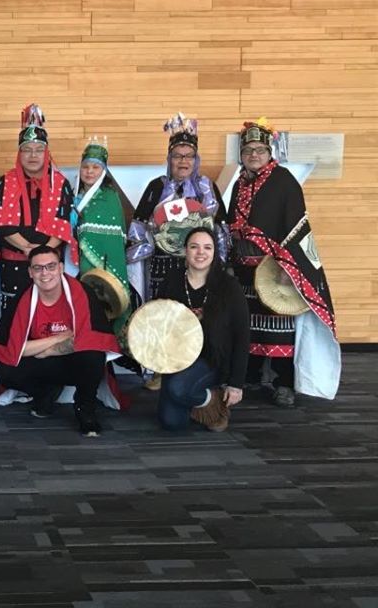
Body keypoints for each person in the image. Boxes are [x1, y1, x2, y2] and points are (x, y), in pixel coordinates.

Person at [229, 117, 340, 407]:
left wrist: (285, 267)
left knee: (279, 325)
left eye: (259, 150)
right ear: (241, 155)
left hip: (274, 268)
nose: (254, 155)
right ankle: (251, 375)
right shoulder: (240, 183)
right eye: (248, 150)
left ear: (270, 153)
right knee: (248, 324)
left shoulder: (284, 182)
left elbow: (295, 228)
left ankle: (283, 383)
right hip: (243, 269)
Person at [127, 112, 229, 389]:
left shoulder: (207, 188)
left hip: (198, 265)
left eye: (188, 156)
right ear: (169, 159)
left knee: (199, 313)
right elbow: (137, 225)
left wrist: (216, 262)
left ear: (196, 160)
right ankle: (161, 368)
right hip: (163, 264)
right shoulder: (157, 188)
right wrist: (151, 234)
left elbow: (221, 228)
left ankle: (201, 366)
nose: (183, 161)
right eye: (177, 156)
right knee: (163, 314)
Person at [0, 245, 121, 436]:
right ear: (30, 272)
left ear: (61, 268)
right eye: (38, 268)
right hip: (44, 361)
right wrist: (59, 338)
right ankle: (45, 392)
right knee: (4, 370)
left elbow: (86, 341)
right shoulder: (24, 296)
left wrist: (45, 351)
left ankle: (85, 408)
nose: (45, 273)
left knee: (93, 356)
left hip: (71, 361)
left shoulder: (82, 292)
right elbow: (14, 349)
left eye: (51, 266)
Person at [0, 104, 74, 332]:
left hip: (49, 266)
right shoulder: (5, 181)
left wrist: (43, 254)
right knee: (14, 319)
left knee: (49, 318)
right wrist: (28, 249)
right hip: (13, 264)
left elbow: (65, 223)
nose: (33, 155)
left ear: (47, 153)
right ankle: (13, 362)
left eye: (38, 150)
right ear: (19, 153)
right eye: (27, 150)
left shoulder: (60, 183)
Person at [157, 227, 249, 431]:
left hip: (213, 359)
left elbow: (242, 336)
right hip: (178, 359)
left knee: (177, 389)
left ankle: (213, 398)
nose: (201, 252)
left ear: (215, 252)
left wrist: (236, 383)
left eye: (207, 247)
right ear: (185, 251)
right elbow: (156, 322)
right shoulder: (171, 281)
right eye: (194, 247)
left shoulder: (229, 286)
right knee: (172, 422)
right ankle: (200, 398)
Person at [69, 137, 131, 335]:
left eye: (95, 168)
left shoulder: (110, 197)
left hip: (105, 264)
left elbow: (115, 239)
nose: (89, 172)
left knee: (102, 307)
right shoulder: (73, 195)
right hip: (76, 263)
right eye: (85, 166)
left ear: (103, 171)